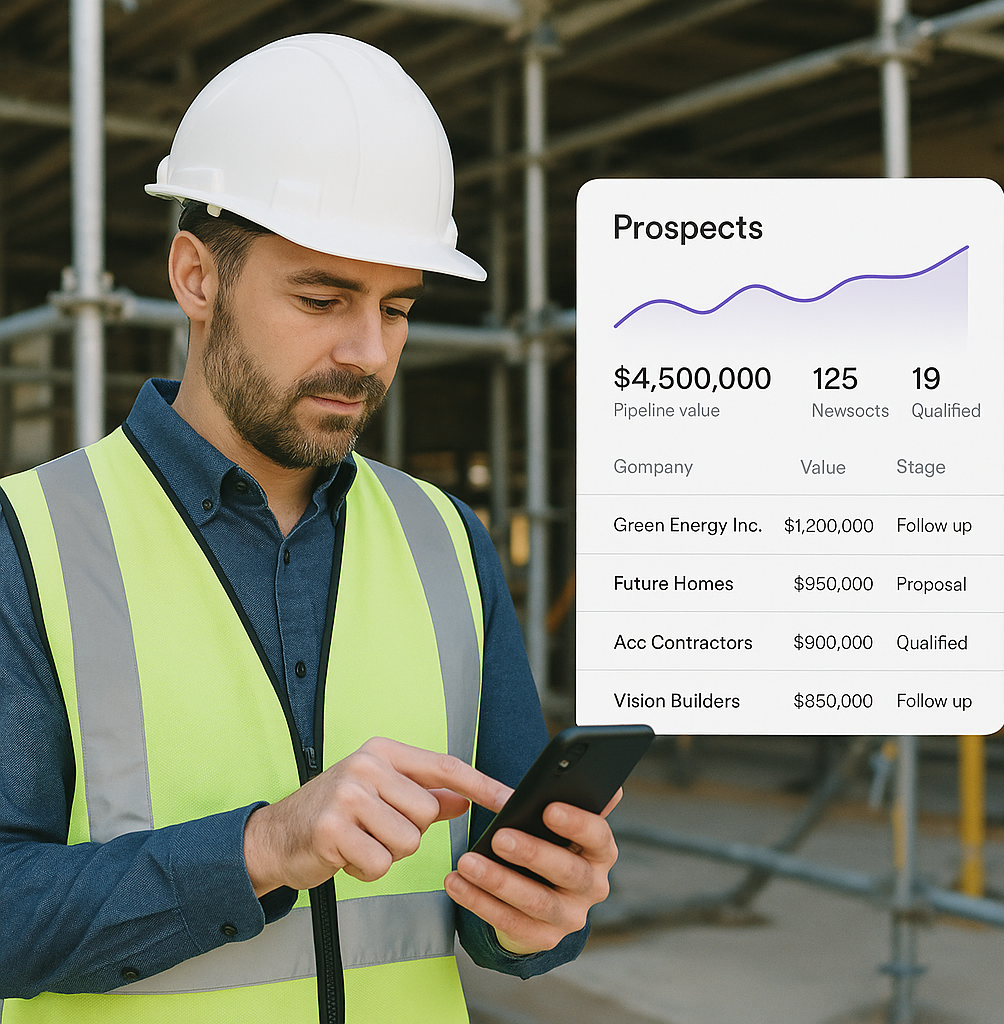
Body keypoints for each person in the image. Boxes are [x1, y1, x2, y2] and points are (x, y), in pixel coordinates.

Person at [0, 34, 619, 1023]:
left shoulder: (447, 540)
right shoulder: (27, 541)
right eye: (322, 297)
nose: (367, 352)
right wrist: (262, 847)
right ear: (196, 277)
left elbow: (500, 923)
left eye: (397, 308)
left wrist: (545, 910)